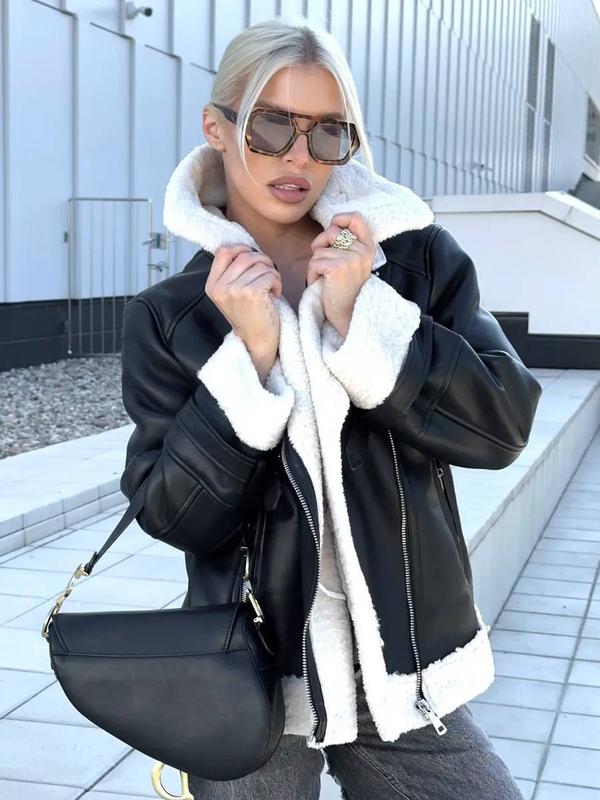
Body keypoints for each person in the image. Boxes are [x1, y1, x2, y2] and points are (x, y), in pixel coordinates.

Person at [119, 16, 542, 800]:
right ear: (217, 127)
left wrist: (364, 318)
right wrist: (248, 363)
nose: (299, 157)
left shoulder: (412, 263)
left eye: (328, 133)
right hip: (254, 676)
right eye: (272, 125)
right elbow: (175, 516)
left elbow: (503, 424)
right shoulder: (171, 316)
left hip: (401, 669)